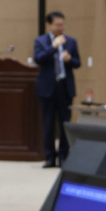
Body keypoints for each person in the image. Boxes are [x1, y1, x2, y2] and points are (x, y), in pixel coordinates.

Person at [32, 10, 81, 168]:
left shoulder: (71, 41)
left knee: (65, 123)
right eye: (57, 25)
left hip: (64, 87)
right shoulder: (41, 41)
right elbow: (38, 59)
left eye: (62, 24)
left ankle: (64, 156)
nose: (61, 28)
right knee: (48, 123)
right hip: (47, 88)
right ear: (49, 25)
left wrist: (69, 59)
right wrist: (53, 47)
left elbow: (77, 63)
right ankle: (49, 157)